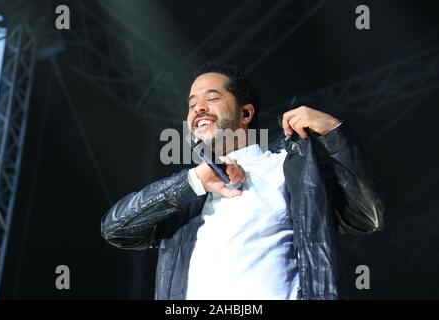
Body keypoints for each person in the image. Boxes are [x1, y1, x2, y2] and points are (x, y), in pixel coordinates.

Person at [101, 61, 384, 300]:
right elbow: (116, 229)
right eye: (192, 104)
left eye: (211, 98)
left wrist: (334, 133)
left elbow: (366, 217)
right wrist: (194, 181)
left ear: (245, 113)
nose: (198, 108)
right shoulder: (189, 190)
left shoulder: (287, 166)